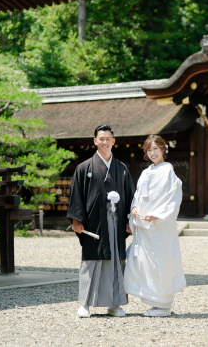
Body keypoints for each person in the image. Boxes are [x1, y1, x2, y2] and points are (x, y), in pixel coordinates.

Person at [67, 124, 135, 318]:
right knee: (91, 260)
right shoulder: (84, 168)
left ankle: (115, 304)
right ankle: (84, 304)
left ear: (114, 141)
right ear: (95, 141)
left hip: (116, 219)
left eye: (108, 139)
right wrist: (76, 219)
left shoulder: (121, 169)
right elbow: (76, 196)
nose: (105, 142)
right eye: (101, 139)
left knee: (116, 262)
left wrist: (130, 219)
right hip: (93, 222)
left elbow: (131, 196)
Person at [124, 134, 186, 317]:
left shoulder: (168, 171)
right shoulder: (146, 172)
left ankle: (163, 303)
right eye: (149, 150)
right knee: (144, 262)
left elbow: (172, 198)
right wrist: (134, 207)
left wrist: (157, 215)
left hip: (159, 227)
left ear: (163, 150)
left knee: (161, 260)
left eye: (155, 149)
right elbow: (138, 195)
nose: (152, 153)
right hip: (143, 226)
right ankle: (153, 301)